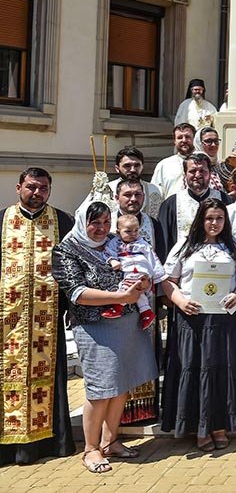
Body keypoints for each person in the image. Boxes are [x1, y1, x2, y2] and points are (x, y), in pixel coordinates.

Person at [52, 201, 158, 473]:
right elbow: (76, 293)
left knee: (121, 385)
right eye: (94, 222)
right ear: (82, 222)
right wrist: (120, 297)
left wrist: (144, 281)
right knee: (100, 391)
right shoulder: (67, 250)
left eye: (105, 222)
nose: (101, 229)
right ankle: (90, 449)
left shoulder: (116, 241)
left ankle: (111, 441)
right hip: (94, 326)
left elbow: (141, 264)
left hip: (127, 323)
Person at [160, 198, 236, 451]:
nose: (214, 223)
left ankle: (219, 426)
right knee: (196, 368)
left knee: (222, 369)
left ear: (225, 221)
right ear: (201, 219)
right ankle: (199, 429)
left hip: (224, 320)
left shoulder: (234, 247)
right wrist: (179, 300)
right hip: (192, 318)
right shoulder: (185, 246)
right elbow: (168, 280)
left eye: (219, 218)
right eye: (209, 218)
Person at [0, 168, 75, 466]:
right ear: (19, 187)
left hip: (47, 317)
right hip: (7, 319)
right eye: (31, 187)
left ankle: (47, 443)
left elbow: (70, 268)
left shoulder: (63, 221)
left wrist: (73, 307)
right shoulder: (2, 219)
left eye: (43, 188)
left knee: (49, 379)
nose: (37, 193)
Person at [103, 213, 165, 329]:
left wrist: (155, 276)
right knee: (137, 292)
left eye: (136, 230)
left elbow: (152, 257)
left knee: (126, 285)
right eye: (128, 231)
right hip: (127, 268)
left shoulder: (142, 243)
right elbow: (108, 252)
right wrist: (112, 261)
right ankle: (146, 312)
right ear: (118, 232)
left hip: (141, 270)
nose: (133, 234)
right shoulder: (115, 243)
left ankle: (118, 307)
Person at [158, 153, 226, 253]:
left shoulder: (224, 200)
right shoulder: (171, 204)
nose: (197, 175)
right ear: (185, 174)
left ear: (210, 173)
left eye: (202, 171)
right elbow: (163, 242)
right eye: (193, 171)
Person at [109, 146, 163, 217]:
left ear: (142, 167)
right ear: (117, 168)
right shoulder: (106, 190)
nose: (133, 170)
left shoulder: (153, 190)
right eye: (127, 166)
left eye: (137, 165)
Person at [152, 123, 196, 198]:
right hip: (172, 208)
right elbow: (155, 193)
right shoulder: (164, 165)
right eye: (180, 137)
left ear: (194, 139)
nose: (184, 140)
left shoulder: (203, 163)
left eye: (187, 137)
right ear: (174, 141)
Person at [192, 127, 226, 193]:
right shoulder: (195, 165)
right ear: (199, 143)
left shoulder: (218, 166)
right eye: (208, 141)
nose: (213, 145)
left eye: (216, 141)